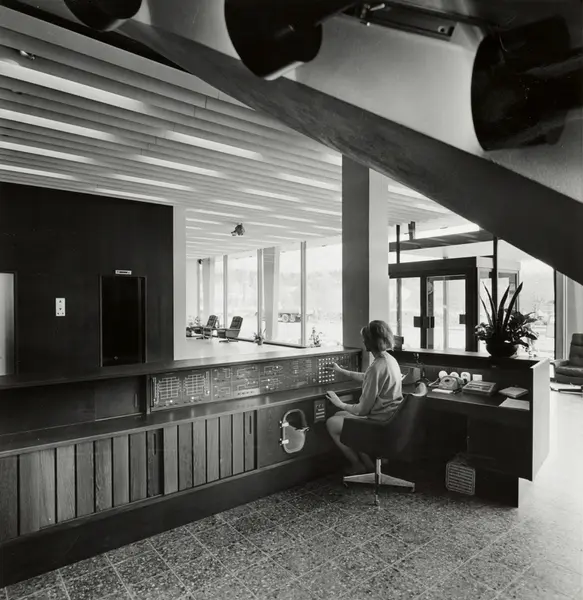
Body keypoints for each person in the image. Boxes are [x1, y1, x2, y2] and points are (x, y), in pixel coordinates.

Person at [325, 320, 403, 475]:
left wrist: (340, 403)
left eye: (365, 339)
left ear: (370, 342)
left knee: (332, 423)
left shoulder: (376, 367)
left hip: (379, 424)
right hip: (390, 419)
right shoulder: (389, 359)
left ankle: (357, 465)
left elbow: (361, 410)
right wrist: (342, 371)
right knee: (340, 416)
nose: (363, 342)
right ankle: (368, 464)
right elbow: (368, 377)